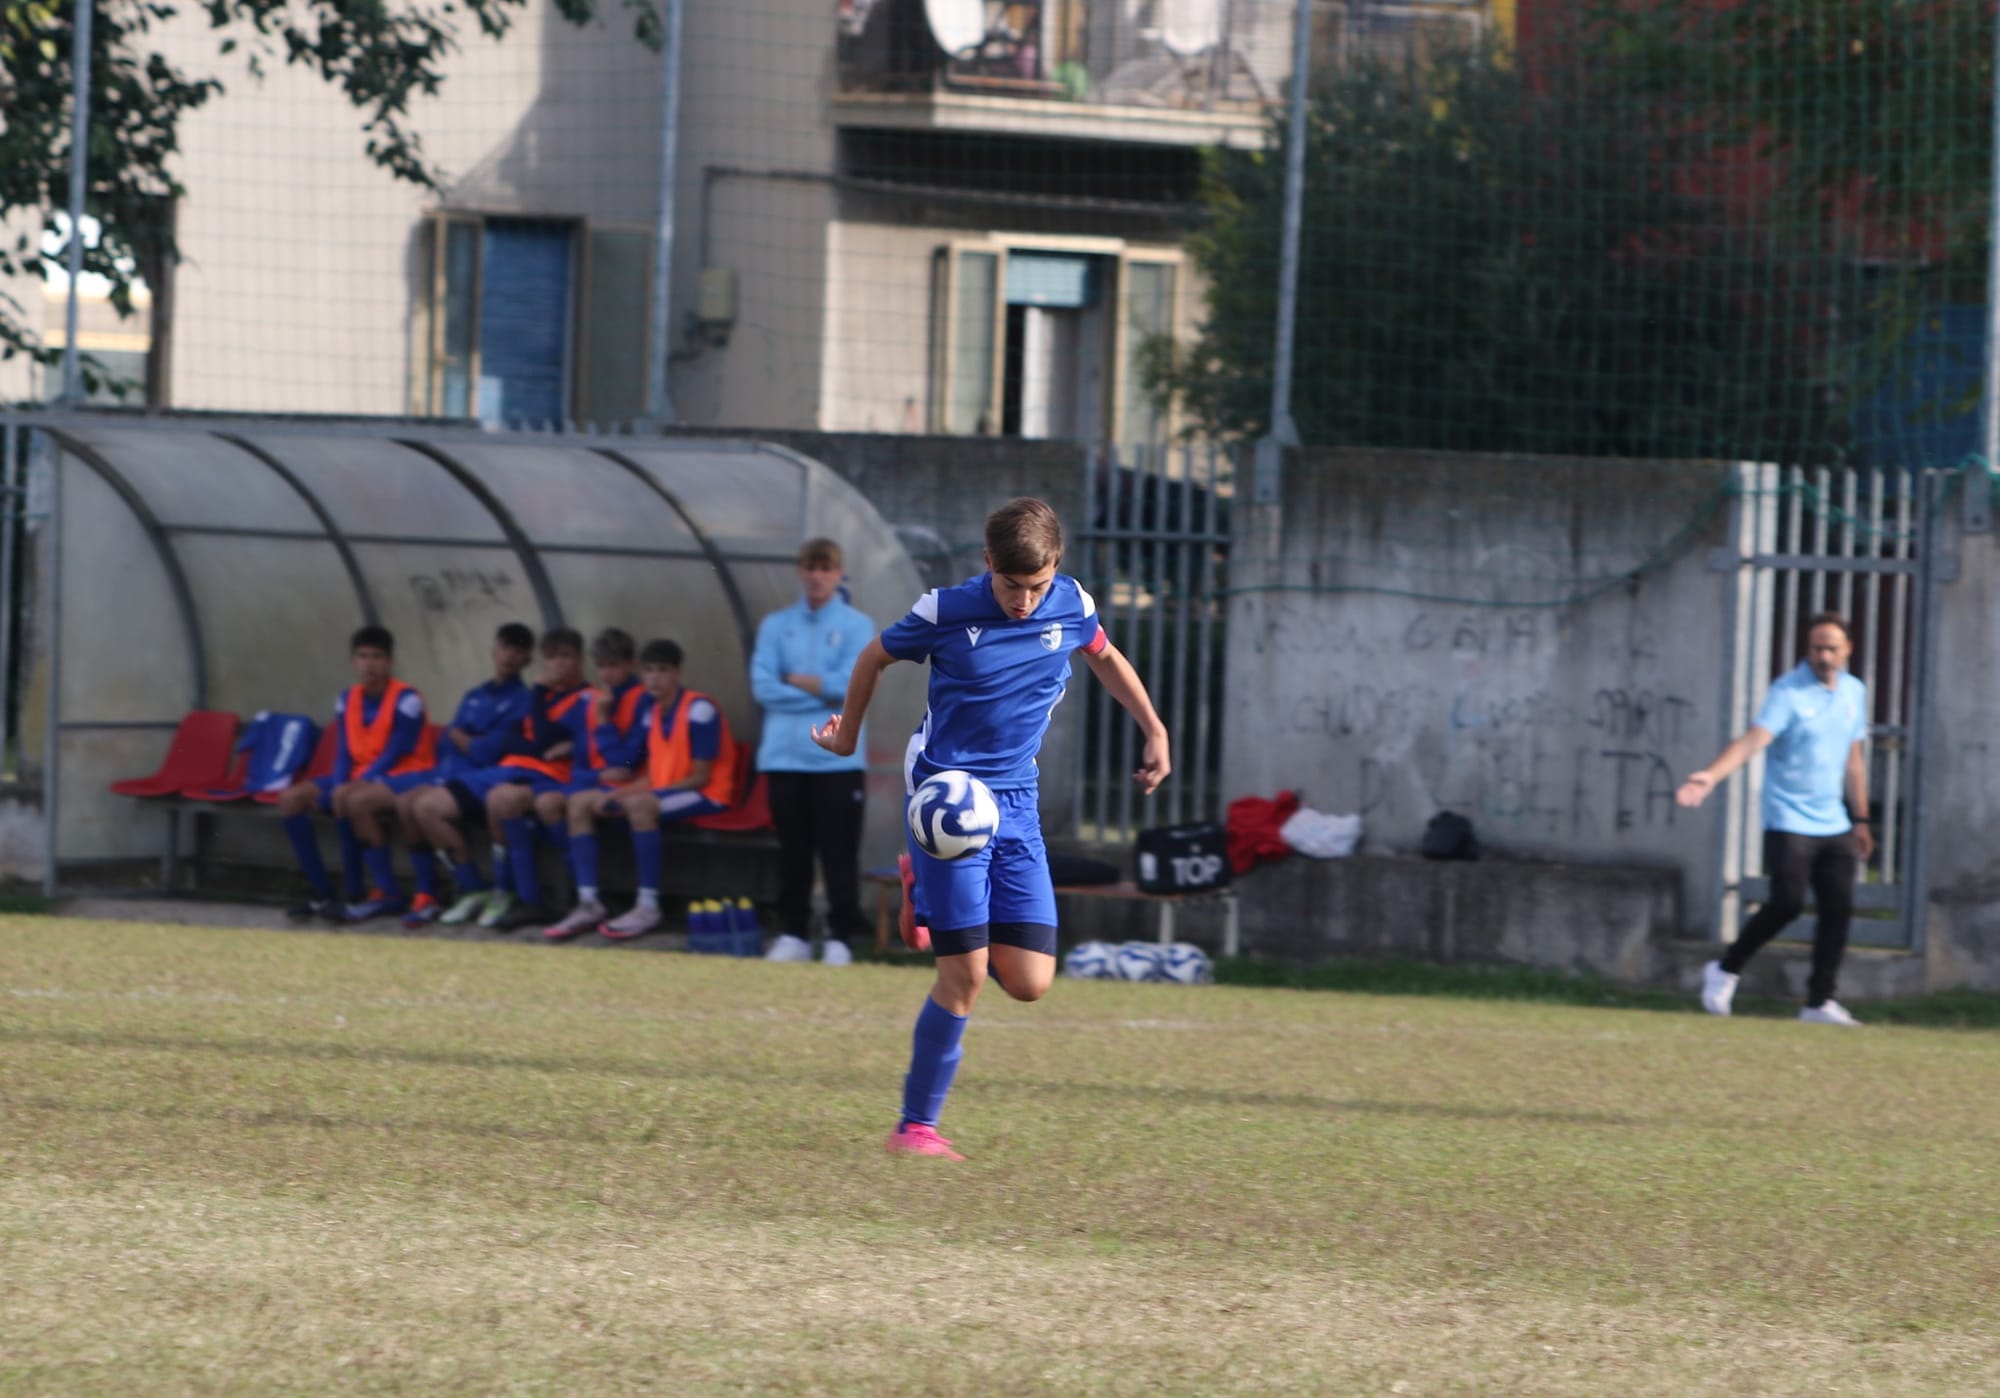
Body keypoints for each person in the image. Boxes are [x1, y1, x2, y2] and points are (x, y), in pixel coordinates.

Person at [810, 497, 1171, 1160]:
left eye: (1037, 587)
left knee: (1030, 982)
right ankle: (913, 1128)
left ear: (1056, 568)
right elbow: (872, 658)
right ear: (988, 565)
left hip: (1017, 802)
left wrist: (1153, 728)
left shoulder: (1072, 604)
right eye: (1010, 586)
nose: (1024, 602)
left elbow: (1107, 655)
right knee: (966, 976)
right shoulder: (945, 611)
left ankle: (923, 886)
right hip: (948, 796)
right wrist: (847, 737)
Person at [1677, 611, 1874, 1026]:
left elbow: (1853, 759)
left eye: (1831, 648)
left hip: (1834, 821)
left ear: (1848, 650)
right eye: (1817, 647)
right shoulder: (1788, 693)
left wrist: (1860, 818)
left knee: (1839, 908)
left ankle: (1818, 1001)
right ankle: (1725, 969)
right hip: (1789, 817)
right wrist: (1710, 775)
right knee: (1786, 902)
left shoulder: (1854, 692)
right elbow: (1752, 741)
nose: (1823, 655)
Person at [556, 638, 740, 940]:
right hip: (664, 792)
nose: (654, 678)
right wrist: (619, 789)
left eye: (663, 670)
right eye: (649, 670)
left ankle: (648, 906)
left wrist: (640, 794)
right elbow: (634, 763)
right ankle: (589, 902)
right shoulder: (651, 713)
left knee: (640, 805)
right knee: (578, 802)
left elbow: (700, 776)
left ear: (677, 673)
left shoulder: (700, 710)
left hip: (706, 794)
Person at [407, 627, 586, 929]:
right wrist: (533, 743)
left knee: (501, 799)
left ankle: (509, 893)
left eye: (565, 656)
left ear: (580, 660)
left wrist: (557, 737)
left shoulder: (583, 697)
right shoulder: (537, 698)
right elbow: (513, 741)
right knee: (425, 807)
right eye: (552, 657)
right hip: (509, 768)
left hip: (551, 776)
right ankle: (473, 887)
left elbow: (542, 741)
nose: (558, 664)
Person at [749, 537, 874, 966]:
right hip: (784, 756)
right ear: (800, 571)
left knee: (838, 849)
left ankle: (841, 935)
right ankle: (793, 932)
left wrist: (797, 681)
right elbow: (763, 687)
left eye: (826, 568)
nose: (818, 575)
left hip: (836, 758)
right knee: (793, 849)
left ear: (839, 574)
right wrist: (818, 691)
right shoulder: (775, 625)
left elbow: (849, 687)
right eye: (810, 567)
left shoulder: (857, 625)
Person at [276, 625, 436, 923]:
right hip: (362, 777)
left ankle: (368, 891)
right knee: (290, 799)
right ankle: (321, 893)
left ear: (390, 662)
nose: (369, 664)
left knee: (352, 799)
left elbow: (394, 753)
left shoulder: (407, 698)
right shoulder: (346, 699)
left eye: (377, 657)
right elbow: (344, 751)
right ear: (353, 661)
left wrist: (347, 788)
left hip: (407, 775)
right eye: (363, 656)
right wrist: (339, 784)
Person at [397, 622, 536, 928]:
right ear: (493, 651)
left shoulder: (524, 699)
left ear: (527, 659)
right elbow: (450, 740)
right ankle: (435, 893)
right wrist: (467, 739)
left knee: (425, 807)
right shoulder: (474, 694)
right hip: (453, 775)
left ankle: (479, 886)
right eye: (505, 647)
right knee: (405, 804)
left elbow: (487, 751)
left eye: (519, 650)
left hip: (486, 779)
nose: (510, 656)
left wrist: (465, 737)